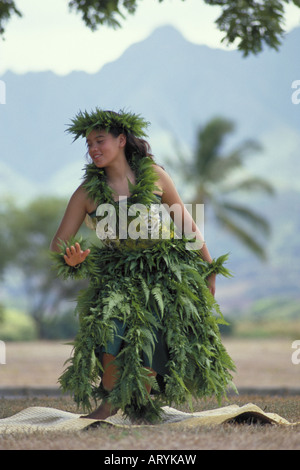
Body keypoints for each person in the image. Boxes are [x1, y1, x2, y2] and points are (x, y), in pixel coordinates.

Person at [50, 108, 235, 422]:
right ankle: (111, 400)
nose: (93, 148)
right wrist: (73, 258)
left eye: (100, 140)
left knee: (150, 337)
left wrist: (209, 269)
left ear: (122, 140)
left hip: (163, 273)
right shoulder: (86, 193)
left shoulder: (155, 175)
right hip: (115, 277)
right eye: (88, 144)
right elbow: (59, 243)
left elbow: (187, 224)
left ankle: (140, 400)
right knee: (110, 333)